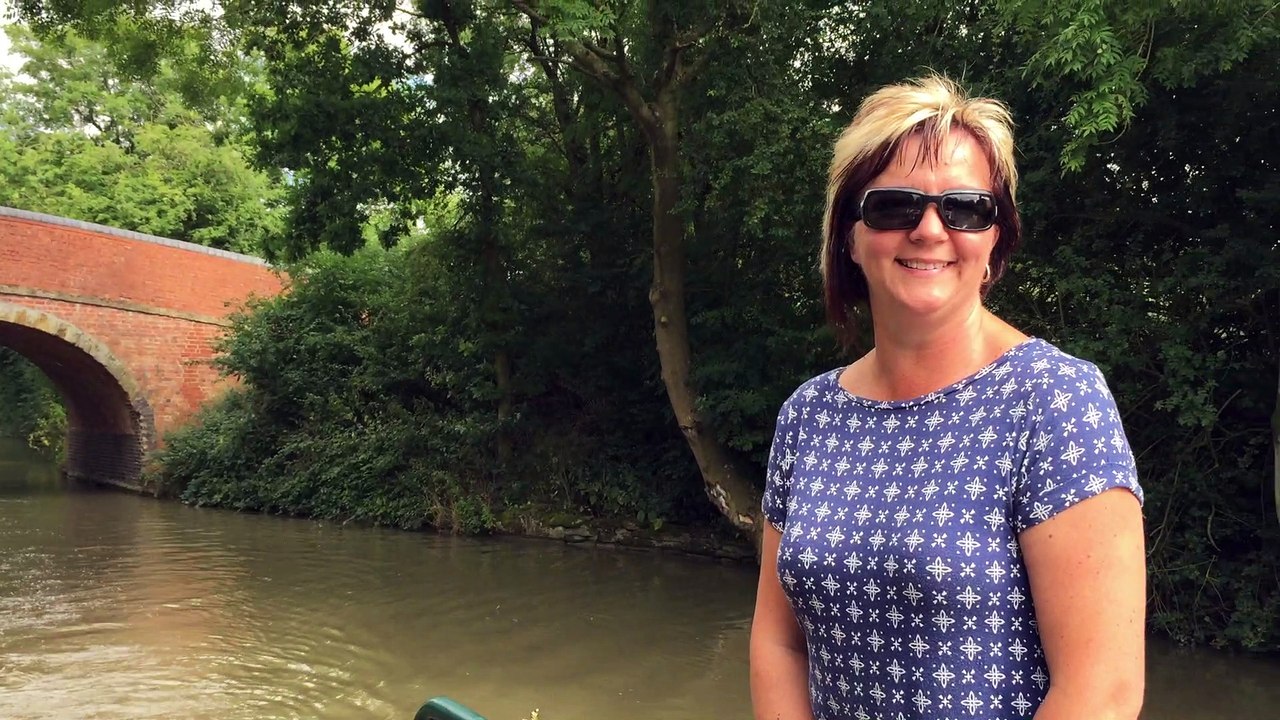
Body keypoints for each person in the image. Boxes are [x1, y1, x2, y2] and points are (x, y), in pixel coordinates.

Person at [749, 75, 1146, 720]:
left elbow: (1101, 691)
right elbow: (779, 642)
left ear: (995, 238)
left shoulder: (1056, 403)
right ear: (850, 236)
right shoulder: (808, 414)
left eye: (965, 208)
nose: (931, 229)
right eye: (894, 206)